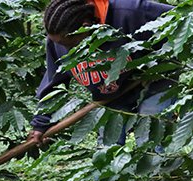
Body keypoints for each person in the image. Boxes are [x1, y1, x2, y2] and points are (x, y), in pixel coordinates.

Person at [27, 0, 175, 148]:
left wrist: (159, 64)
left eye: (70, 44)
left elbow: (182, 18)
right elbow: (54, 80)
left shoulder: (130, 11)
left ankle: (158, 170)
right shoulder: (59, 36)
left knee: (149, 137)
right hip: (111, 96)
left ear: (85, 27)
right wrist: (41, 124)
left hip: (156, 79)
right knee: (107, 148)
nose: (67, 49)